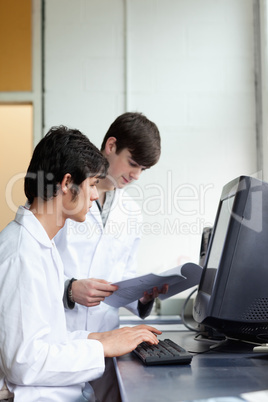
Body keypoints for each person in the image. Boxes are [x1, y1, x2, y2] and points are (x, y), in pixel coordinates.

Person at [0, 125, 162, 402]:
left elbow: (50, 340)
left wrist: (105, 339)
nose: (96, 194)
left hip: (68, 371)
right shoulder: (21, 253)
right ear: (66, 184)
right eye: (91, 185)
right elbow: (24, 363)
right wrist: (101, 346)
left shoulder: (39, 244)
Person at [54, 113, 168, 401]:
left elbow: (123, 275)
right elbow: (36, 263)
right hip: (62, 339)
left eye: (143, 169)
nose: (136, 175)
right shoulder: (67, 196)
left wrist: (143, 296)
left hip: (107, 342)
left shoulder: (131, 212)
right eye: (133, 163)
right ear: (111, 145)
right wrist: (69, 288)